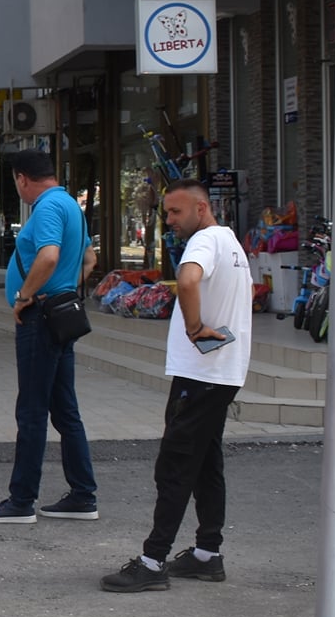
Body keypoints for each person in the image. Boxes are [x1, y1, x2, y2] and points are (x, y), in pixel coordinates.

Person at [102, 178, 254, 593]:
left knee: (175, 464)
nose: (169, 220)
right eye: (166, 213)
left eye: (175, 212)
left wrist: (194, 327)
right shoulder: (231, 243)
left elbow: (187, 281)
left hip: (203, 376)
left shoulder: (204, 242)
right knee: (206, 463)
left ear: (201, 209)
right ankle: (208, 553)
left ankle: (152, 562)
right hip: (219, 374)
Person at [0, 149, 100, 525]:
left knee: (31, 411)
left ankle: (21, 500)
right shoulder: (70, 205)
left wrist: (26, 296)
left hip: (40, 318)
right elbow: (90, 259)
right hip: (60, 315)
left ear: (21, 178)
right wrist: (65, 289)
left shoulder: (46, 208)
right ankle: (83, 495)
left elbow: (47, 256)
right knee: (65, 410)